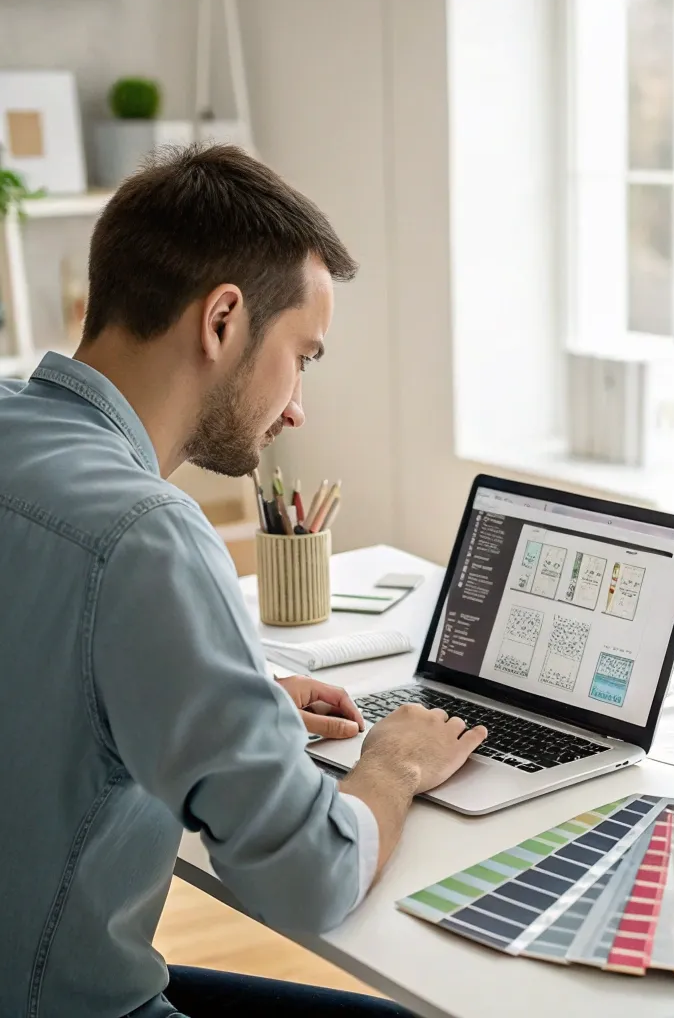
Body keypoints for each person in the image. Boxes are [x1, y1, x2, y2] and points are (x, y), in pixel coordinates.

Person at [0, 145, 486, 1018]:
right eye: (304, 356)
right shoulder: (146, 534)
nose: (298, 405)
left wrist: (237, 692)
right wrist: (393, 766)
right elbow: (307, 878)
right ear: (222, 320)